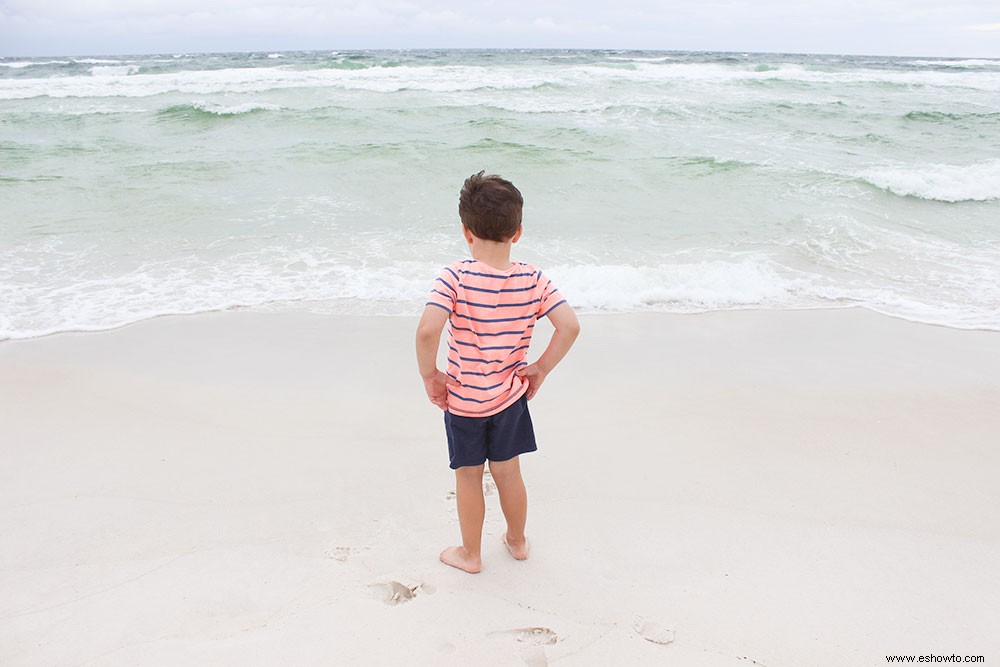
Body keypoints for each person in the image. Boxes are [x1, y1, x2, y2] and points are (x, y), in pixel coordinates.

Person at [415, 171, 580, 574]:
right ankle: (517, 540)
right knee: (508, 472)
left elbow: (427, 331)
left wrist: (430, 376)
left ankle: (471, 555)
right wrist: (540, 368)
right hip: (509, 397)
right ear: (518, 232)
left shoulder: (454, 276)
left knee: (469, 476)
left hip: (464, 398)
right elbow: (570, 326)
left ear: (466, 231)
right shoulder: (534, 278)